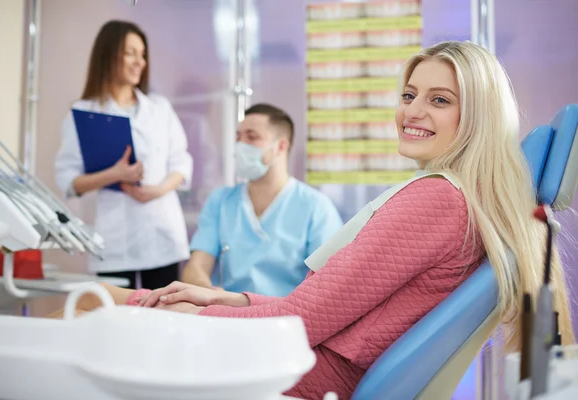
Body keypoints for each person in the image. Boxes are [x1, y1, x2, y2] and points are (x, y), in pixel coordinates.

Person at [55, 41, 574, 400]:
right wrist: (228, 298)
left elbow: (303, 323)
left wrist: (153, 306)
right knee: (118, 306)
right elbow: (321, 310)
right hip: (308, 356)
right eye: (409, 94)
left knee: (91, 309)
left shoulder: (437, 202)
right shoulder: (462, 202)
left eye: (440, 100)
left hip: (302, 370)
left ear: (477, 117)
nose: (412, 111)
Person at [54, 20, 193, 290]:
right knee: (116, 317)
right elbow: (68, 181)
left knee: (164, 314)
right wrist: (114, 175)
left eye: (142, 54)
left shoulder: (159, 109)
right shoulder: (83, 112)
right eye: (130, 53)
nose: (139, 62)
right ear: (109, 54)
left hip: (161, 233)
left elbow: (182, 162)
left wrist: (158, 189)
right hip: (115, 239)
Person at [180, 103, 343, 296]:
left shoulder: (315, 207)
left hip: (287, 318)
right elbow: (196, 268)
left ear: (280, 146)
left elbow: (328, 283)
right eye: (238, 137)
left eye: (251, 137)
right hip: (226, 313)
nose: (241, 146)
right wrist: (214, 296)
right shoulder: (221, 201)